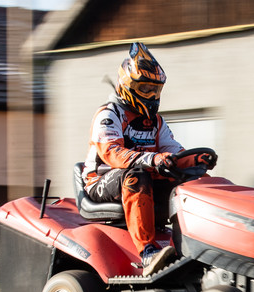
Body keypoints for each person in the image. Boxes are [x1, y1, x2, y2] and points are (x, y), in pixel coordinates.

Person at [82, 42, 215, 276]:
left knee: (195, 179)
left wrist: (196, 161)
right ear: (126, 85)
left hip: (141, 174)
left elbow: (173, 153)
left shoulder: (157, 122)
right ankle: (148, 253)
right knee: (137, 176)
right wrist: (152, 160)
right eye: (145, 89)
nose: (152, 96)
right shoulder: (109, 114)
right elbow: (112, 153)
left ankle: (205, 241)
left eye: (156, 90)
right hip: (100, 182)